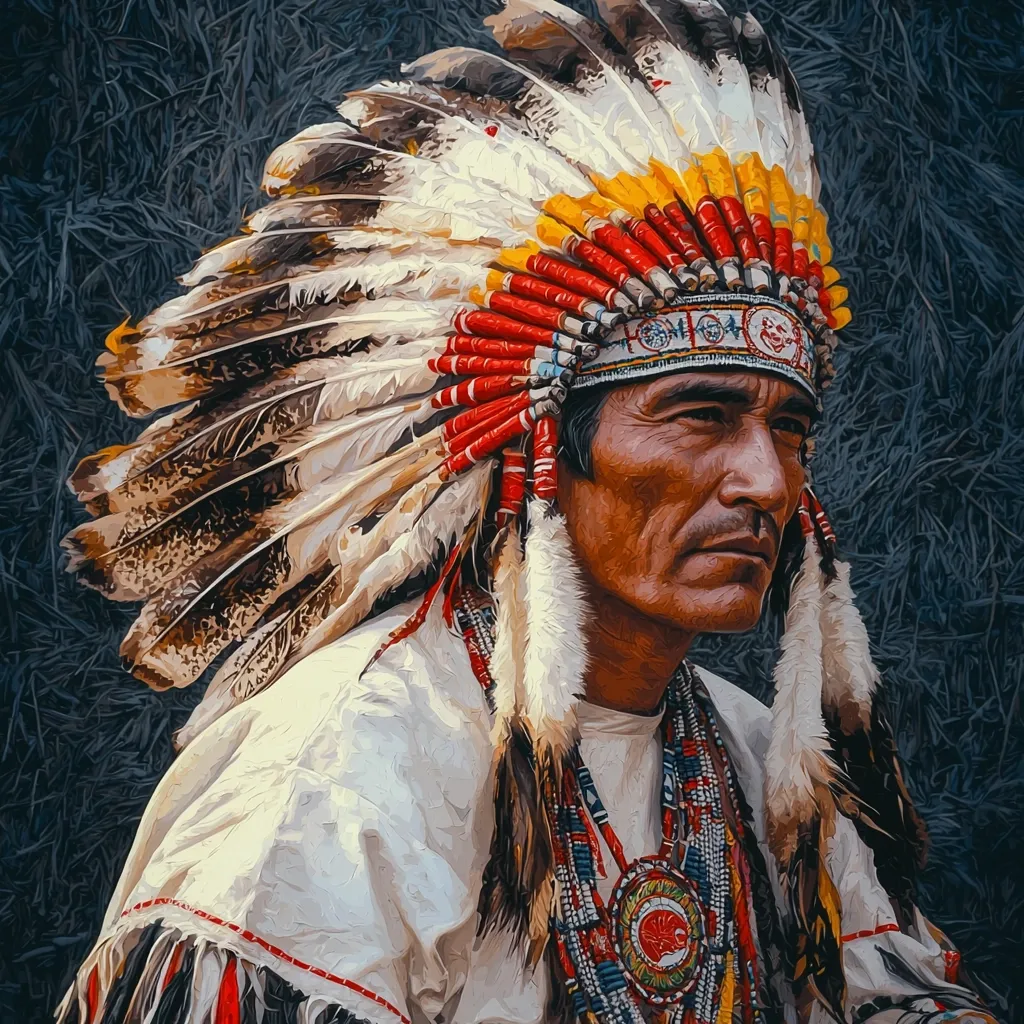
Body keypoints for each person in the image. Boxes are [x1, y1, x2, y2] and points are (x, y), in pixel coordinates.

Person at [56, 2, 999, 1022]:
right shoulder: (341, 772)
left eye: (789, 428)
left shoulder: (756, 757)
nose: (767, 482)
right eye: (702, 416)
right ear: (541, 454)